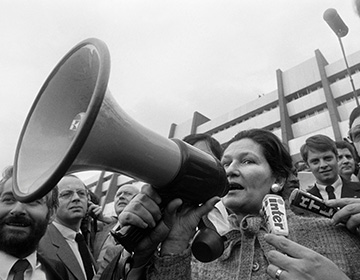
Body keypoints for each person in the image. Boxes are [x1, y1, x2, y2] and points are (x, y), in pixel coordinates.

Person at [119, 128, 360, 280]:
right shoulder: (195, 250)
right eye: (225, 164)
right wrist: (174, 245)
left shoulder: (341, 233)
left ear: (277, 179)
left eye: (247, 161)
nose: (231, 170)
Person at [0, 166, 68, 280]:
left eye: (32, 201)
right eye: (8, 200)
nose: (17, 210)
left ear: (51, 213)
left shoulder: (58, 271)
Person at [39, 175, 97, 280]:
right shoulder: (40, 242)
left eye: (81, 193)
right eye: (66, 194)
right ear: (52, 202)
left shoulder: (80, 240)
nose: (76, 198)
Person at [92, 180, 142, 278]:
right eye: (118, 194)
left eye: (127, 194)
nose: (121, 196)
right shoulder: (100, 232)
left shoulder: (144, 231)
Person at [183, 133, 230, 234]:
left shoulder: (236, 204)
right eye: (190, 159)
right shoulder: (169, 213)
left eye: (203, 157)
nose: (196, 166)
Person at [300, 134, 360, 200]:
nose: (323, 165)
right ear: (307, 165)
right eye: (315, 161)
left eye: (327, 158)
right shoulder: (303, 201)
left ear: (336, 158)